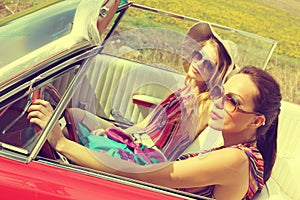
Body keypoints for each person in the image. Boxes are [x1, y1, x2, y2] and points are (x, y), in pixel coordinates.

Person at [28, 65, 281, 199]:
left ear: (257, 121)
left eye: (232, 100)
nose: (217, 101)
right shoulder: (237, 153)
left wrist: (62, 144)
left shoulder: (236, 160)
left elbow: (145, 175)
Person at [61, 22, 237, 162]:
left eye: (208, 65)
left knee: (69, 134)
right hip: (136, 141)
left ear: (218, 73)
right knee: (73, 115)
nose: (199, 64)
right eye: (198, 55)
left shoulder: (207, 105)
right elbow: (145, 125)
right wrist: (117, 135)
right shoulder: (184, 90)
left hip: (147, 158)